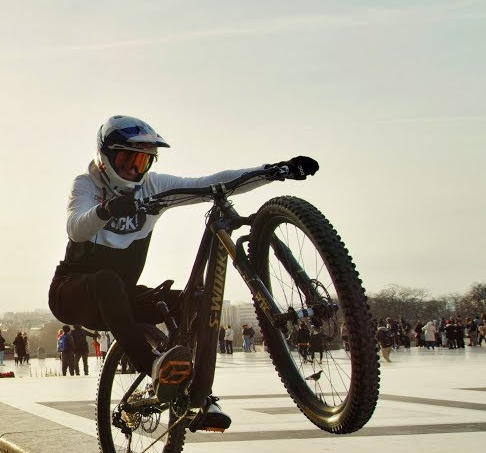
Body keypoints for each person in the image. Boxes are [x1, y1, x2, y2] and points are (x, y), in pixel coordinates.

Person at [47, 114, 318, 432]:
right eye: (127, 160)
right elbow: (76, 228)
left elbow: (211, 183)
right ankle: (153, 368)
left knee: (196, 300)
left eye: (143, 162)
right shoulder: (87, 184)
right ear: (105, 158)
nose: (135, 170)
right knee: (107, 281)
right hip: (72, 294)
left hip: (122, 297)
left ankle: (198, 393)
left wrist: (274, 171)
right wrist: (105, 210)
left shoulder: (153, 186)